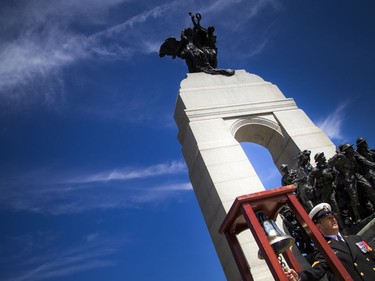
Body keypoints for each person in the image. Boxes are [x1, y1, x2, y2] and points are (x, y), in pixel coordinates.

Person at [285, 203, 375, 281]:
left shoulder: (356, 239)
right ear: (319, 227)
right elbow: (317, 270)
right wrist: (299, 277)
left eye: (333, 217)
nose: (333, 220)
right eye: (328, 219)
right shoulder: (324, 249)